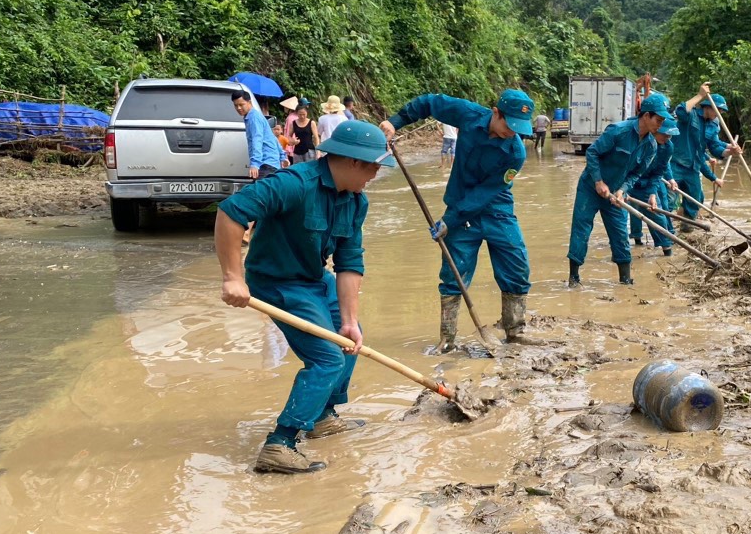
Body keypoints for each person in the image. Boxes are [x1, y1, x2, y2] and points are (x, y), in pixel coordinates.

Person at [214, 121, 396, 475]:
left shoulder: (356, 202)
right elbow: (231, 212)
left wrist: (348, 320)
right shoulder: (294, 184)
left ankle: (322, 417)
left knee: (349, 339)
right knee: (326, 359)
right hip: (278, 283)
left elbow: (349, 262)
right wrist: (233, 277)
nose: (376, 173)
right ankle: (280, 444)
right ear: (353, 161)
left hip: (315, 279)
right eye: (374, 166)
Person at [380, 90, 537, 350]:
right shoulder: (468, 114)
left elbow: (487, 191)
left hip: (496, 208)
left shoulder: (515, 152)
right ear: (496, 113)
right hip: (460, 208)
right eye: (510, 125)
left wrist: (449, 219)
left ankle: (515, 332)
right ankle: (447, 339)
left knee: (517, 264)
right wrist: (395, 122)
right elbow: (430, 103)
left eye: (519, 128)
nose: (513, 132)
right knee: (454, 270)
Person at [567, 92, 672, 287]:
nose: (660, 124)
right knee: (581, 229)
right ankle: (574, 278)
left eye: (663, 120)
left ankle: (625, 280)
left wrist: (622, 190)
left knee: (620, 235)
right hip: (590, 188)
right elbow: (592, 153)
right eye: (658, 119)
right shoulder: (618, 131)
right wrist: (598, 181)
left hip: (615, 195)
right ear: (646, 116)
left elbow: (636, 174)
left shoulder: (651, 146)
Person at [670, 83, 742, 224]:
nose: (719, 114)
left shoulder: (714, 124)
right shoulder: (691, 116)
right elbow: (680, 111)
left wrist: (730, 152)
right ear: (707, 107)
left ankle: (687, 226)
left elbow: (715, 148)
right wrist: (700, 95)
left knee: (696, 199)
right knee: (669, 198)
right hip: (676, 164)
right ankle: (666, 230)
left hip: (693, 167)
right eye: (718, 110)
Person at [628, 115, 679, 255]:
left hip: (646, 182)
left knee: (655, 212)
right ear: (655, 130)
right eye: (665, 134)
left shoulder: (668, 147)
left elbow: (659, 171)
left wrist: (651, 193)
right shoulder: (639, 140)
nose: (667, 138)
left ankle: (666, 248)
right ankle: (633, 239)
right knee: (628, 213)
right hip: (626, 179)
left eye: (670, 135)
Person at [231, 89, 282, 180]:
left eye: (241, 104)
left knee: (260, 193)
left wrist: (255, 164)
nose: (238, 108)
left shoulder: (253, 118)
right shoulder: (255, 116)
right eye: (236, 105)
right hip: (271, 164)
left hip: (265, 165)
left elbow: (257, 140)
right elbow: (272, 138)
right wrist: (282, 156)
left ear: (249, 102)